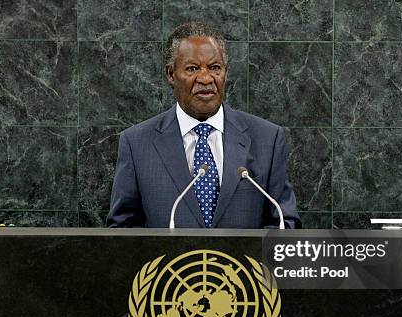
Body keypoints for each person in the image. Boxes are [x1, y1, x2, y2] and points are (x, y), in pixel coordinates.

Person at [106, 22, 301, 229]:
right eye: (192, 68)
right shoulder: (137, 143)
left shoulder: (267, 139)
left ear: (225, 72)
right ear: (171, 74)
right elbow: (122, 229)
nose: (206, 78)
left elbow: (284, 222)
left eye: (214, 67)